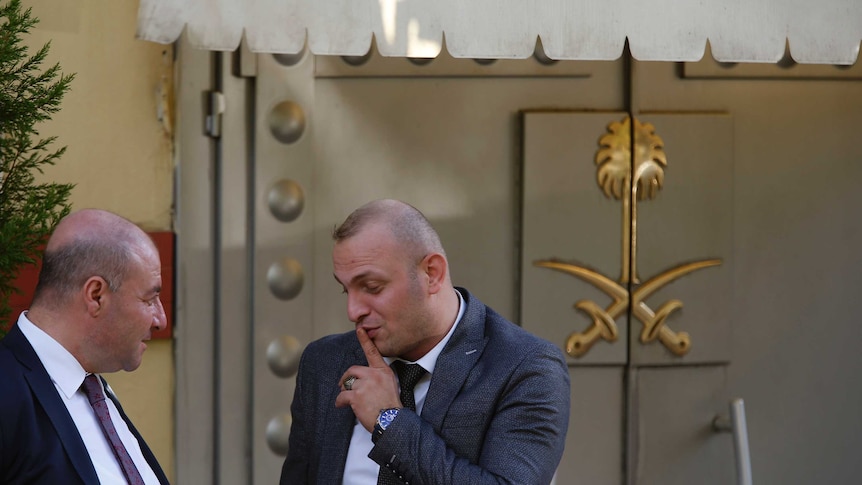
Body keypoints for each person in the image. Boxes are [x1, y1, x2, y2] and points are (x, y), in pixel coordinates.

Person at [280, 199, 570, 484]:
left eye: (372, 287)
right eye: (346, 290)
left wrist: (390, 422)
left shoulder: (526, 368)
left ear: (432, 273)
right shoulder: (323, 362)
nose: (353, 311)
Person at [0, 209, 171, 484]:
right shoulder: (8, 393)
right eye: (149, 300)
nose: (160, 320)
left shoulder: (96, 391)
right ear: (96, 295)